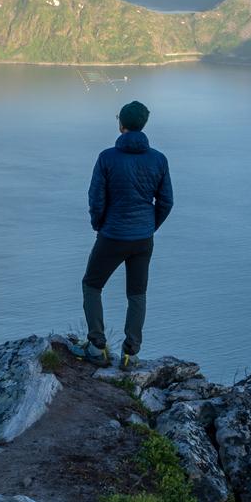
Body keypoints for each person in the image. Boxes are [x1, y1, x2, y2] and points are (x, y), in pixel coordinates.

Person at [82, 98, 173, 370]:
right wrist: (149, 226)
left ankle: (97, 347)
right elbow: (166, 202)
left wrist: (99, 224)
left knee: (92, 285)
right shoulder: (158, 159)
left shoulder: (107, 157)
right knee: (137, 294)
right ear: (143, 125)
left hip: (112, 235)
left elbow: (96, 200)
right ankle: (131, 354)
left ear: (121, 125)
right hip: (143, 239)